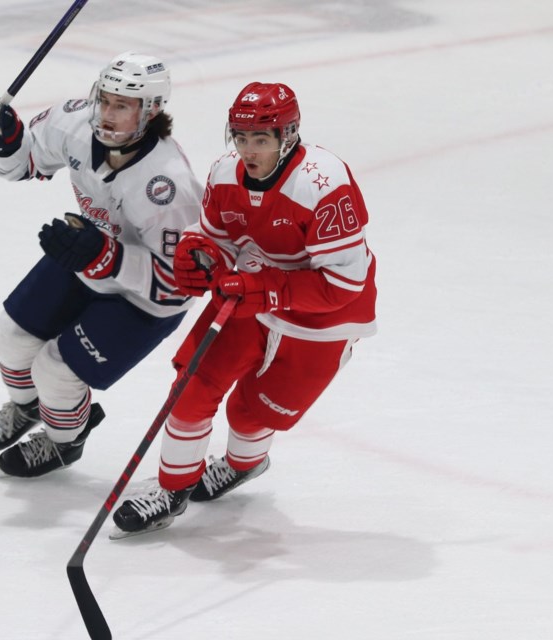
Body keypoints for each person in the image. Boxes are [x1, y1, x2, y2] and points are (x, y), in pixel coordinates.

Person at [111, 82, 377, 536]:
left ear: (287, 135)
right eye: (240, 137)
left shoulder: (324, 184)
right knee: (191, 389)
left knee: (253, 413)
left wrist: (267, 289)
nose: (248, 150)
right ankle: (172, 489)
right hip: (248, 293)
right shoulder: (224, 173)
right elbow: (214, 234)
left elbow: (344, 283)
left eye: (261, 139)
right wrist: (199, 252)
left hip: (322, 317)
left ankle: (242, 464)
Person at [0, 52, 202, 478]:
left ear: (152, 111)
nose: (107, 114)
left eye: (122, 106)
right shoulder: (72, 122)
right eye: (105, 100)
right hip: (91, 250)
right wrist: (4, 142)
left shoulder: (167, 187)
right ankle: (29, 407)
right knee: (10, 339)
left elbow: (179, 286)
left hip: (145, 296)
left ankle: (64, 441)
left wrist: (109, 259)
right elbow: (22, 166)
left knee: (56, 371)